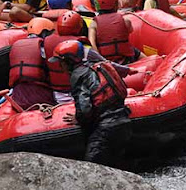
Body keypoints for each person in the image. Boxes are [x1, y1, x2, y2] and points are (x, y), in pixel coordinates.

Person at [49, 40, 131, 168]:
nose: (60, 66)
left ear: (69, 61)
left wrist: (78, 119)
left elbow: (85, 109)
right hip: (123, 122)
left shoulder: (78, 75)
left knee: (91, 168)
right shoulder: (95, 66)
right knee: (117, 166)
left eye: (61, 63)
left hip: (105, 129)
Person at [8, 17, 55, 109]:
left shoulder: (16, 46)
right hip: (41, 95)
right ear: (44, 32)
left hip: (18, 97)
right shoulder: (44, 49)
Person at [89, 0, 142, 64]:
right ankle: (154, 63)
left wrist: (101, 61)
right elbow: (130, 30)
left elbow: (92, 44)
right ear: (116, 4)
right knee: (136, 51)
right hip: (126, 58)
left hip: (106, 59)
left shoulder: (94, 23)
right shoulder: (125, 20)